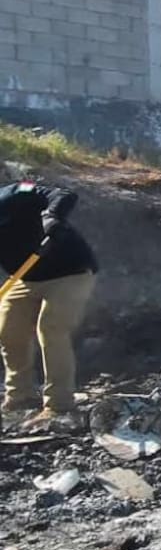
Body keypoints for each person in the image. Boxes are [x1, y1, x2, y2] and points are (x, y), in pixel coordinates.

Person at [0, 180, 97, 429]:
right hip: (24, 278)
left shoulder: (15, 193)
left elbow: (64, 192)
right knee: (9, 331)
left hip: (70, 272)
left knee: (51, 328)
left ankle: (59, 406)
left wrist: (52, 216)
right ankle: (20, 397)